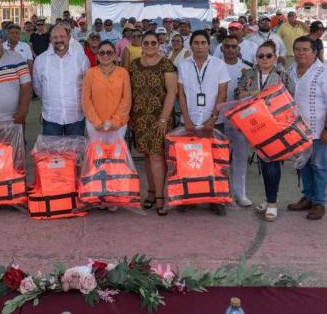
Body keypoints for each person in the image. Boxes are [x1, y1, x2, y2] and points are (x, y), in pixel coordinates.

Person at [235, 41, 292, 221]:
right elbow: (238, 95)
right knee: (263, 163)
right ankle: (268, 199)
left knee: (272, 164)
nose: (265, 58)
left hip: (276, 126)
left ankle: (273, 203)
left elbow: (290, 98)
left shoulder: (282, 75)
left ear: (275, 58)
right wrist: (255, 93)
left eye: (268, 55)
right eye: (261, 56)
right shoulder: (249, 74)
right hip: (254, 125)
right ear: (256, 58)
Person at [287, 36, 327, 220]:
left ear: (314, 52)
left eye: (305, 50)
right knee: (304, 165)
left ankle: (319, 203)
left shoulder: (326, 73)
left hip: (319, 131)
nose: (301, 53)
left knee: (318, 166)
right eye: (297, 49)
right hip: (298, 130)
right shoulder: (291, 70)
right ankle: (308, 197)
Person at [177, 30, 230, 215]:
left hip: (213, 120)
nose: (199, 46)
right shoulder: (183, 65)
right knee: (191, 161)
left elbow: (223, 92)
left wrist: (213, 118)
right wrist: (187, 120)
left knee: (216, 162)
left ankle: (216, 199)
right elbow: (181, 94)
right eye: (196, 43)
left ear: (209, 45)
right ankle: (191, 197)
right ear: (190, 45)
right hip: (190, 119)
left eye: (203, 42)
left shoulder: (219, 65)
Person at [129, 32, 177, 216]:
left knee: (157, 156)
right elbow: (131, 91)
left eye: (153, 42)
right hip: (140, 118)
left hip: (160, 119)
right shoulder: (134, 65)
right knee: (147, 156)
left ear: (159, 44)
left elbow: (172, 92)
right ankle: (150, 192)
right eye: (146, 42)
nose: (149, 45)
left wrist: (164, 118)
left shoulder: (166, 63)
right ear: (141, 44)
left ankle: (159, 196)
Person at [33, 25, 89, 136]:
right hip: (51, 117)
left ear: (68, 38)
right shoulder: (41, 60)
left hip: (76, 117)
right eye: (55, 37)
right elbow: (38, 86)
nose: (59, 40)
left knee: (75, 152)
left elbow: (87, 85)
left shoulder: (81, 58)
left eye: (62, 36)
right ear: (50, 39)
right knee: (51, 153)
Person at [219, 35, 253, 207]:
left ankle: (240, 193)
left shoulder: (246, 70)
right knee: (219, 159)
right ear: (221, 49)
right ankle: (221, 193)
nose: (230, 49)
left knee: (239, 159)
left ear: (239, 49)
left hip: (239, 121)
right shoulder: (215, 67)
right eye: (227, 46)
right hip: (217, 120)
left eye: (234, 46)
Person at [82, 41, 131, 139]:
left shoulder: (123, 73)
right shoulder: (90, 73)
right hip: (94, 125)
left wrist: (116, 121)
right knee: (97, 154)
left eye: (109, 52)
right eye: (102, 52)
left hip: (118, 125)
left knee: (116, 154)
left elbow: (126, 99)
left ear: (114, 55)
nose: (105, 55)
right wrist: (96, 122)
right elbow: (86, 100)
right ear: (97, 56)